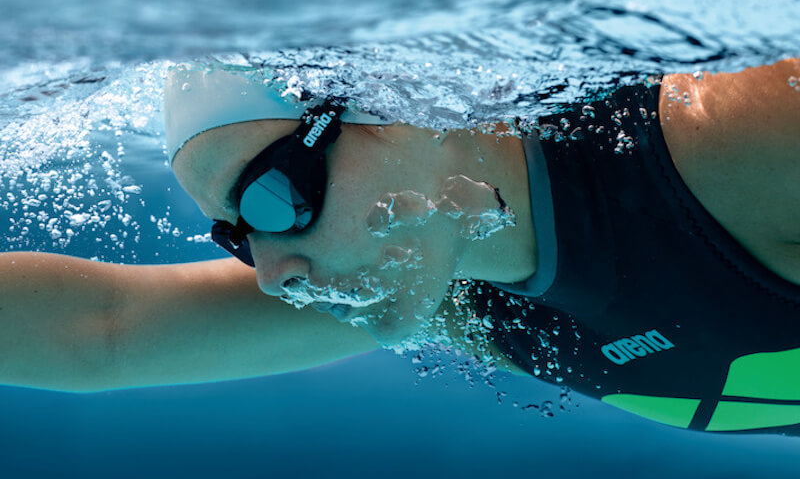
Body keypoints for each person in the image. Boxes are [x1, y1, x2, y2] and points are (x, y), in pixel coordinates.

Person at [0, 58, 798, 436]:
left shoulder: (720, 146)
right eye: (237, 239)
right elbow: (105, 330)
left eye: (275, 199)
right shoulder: (459, 292)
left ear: (396, 104)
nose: (276, 277)